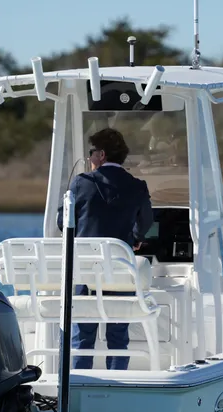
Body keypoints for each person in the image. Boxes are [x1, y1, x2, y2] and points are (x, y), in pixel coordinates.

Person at [57, 127, 153, 370]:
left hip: (85, 271)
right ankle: (117, 380)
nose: (89, 158)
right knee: (118, 334)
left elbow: (62, 221)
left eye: (92, 153)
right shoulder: (137, 185)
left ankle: (79, 382)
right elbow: (147, 221)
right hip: (120, 272)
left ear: (101, 154)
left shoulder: (81, 183)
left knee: (82, 336)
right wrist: (136, 237)